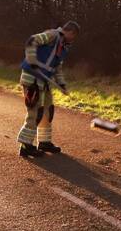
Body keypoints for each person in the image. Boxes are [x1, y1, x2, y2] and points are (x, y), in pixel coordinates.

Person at [15, 21, 79, 157]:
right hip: (31, 80)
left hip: (44, 82)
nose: (73, 39)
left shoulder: (64, 46)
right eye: (74, 36)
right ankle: (26, 145)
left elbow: (57, 68)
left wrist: (62, 84)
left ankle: (44, 142)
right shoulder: (52, 35)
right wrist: (31, 58)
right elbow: (32, 40)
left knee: (47, 112)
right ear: (70, 32)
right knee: (35, 112)